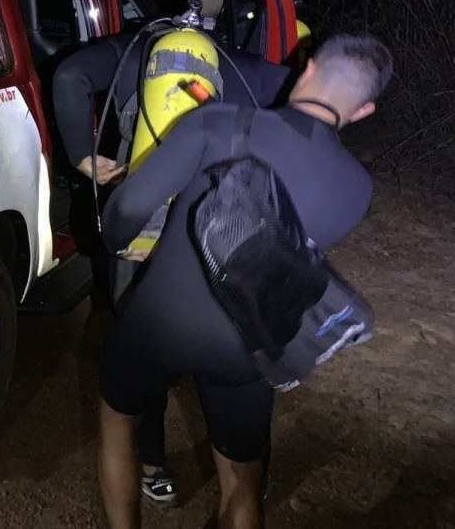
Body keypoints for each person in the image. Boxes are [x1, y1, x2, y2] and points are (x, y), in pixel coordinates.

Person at [95, 34, 392, 529]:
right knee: (241, 479)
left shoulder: (217, 121)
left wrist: (113, 238)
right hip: (247, 343)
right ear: (364, 111)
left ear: (308, 68)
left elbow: (126, 209)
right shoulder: (358, 188)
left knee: (117, 422)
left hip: (160, 319)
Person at [51, 0, 291, 506]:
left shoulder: (137, 49)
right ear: (210, 6)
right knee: (226, 353)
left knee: (139, 355)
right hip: (215, 233)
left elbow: (69, 78)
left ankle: (154, 467)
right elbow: (292, 96)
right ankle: (242, 475)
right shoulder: (230, 60)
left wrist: (82, 156)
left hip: (139, 231)